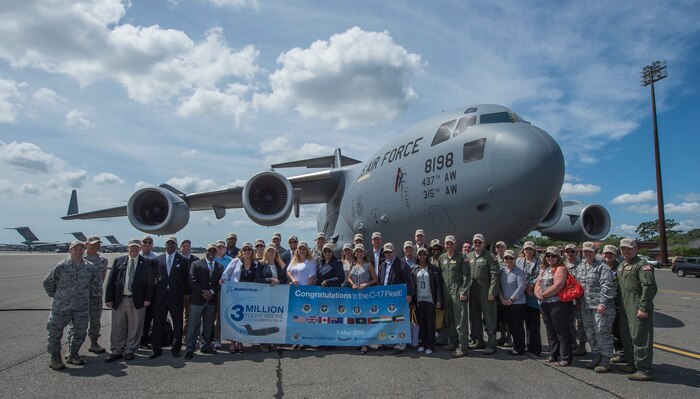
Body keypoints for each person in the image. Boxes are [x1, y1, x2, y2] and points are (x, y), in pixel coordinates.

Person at [43, 240, 100, 370]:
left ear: (84, 250)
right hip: (61, 307)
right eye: (75, 249)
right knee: (55, 333)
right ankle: (55, 358)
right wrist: (58, 296)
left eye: (80, 249)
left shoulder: (89, 267)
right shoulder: (61, 266)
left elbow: (93, 283)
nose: (78, 251)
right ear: (70, 251)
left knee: (79, 332)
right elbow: (48, 283)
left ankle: (73, 354)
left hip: (81, 307)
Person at [105, 239, 155, 363]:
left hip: (137, 300)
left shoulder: (147, 262)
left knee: (135, 326)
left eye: (137, 247)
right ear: (128, 248)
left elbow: (150, 283)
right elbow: (111, 281)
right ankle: (116, 350)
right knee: (118, 326)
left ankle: (130, 349)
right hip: (120, 299)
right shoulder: (119, 261)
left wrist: (148, 299)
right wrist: (109, 298)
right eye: (132, 247)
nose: (134, 249)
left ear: (140, 249)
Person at [617, 238, 657, 381]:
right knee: (626, 336)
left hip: (636, 305)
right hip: (624, 306)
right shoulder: (622, 265)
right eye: (623, 249)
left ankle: (644, 369)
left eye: (629, 248)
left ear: (636, 249)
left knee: (640, 338)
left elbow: (649, 287)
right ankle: (631, 363)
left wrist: (643, 307)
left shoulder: (642, 265)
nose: (625, 251)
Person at [67, 236, 108, 354]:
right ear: (86, 244)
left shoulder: (103, 260)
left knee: (96, 321)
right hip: (79, 296)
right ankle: (71, 349)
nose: (95, 246)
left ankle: (94, 343)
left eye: (97, 244)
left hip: (95, 296)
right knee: (75, 323)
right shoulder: (79, 257)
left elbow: (102, 277)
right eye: (92, 244)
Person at [578, 241, 615, 373]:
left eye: (590, 251)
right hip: (585, 306)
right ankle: (596, 355)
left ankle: (606, 359)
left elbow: (607, 286)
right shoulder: (580, 267)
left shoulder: (602, 267)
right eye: (585, 251)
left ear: (595, 253)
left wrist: (602, 303)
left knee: (601, 332)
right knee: (590, 332)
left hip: (600, 306)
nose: (587, 254)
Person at [150, 236, 189, 359]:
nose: (171, 245)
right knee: (158, 323)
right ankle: (156, 349)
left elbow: (185, 279)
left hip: (176, 297)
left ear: (176, 246)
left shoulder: (182, 260)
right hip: (161, 297)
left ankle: (176, 348)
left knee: (177, 323)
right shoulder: (158, 259)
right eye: (168, 243)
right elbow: (154, 277)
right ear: (165, 245)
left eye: (173, 243)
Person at [185, 244, 224, 360]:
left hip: (211, 301)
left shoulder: (220, 266)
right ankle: (190, 348)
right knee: (193, 324)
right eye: (209, 250)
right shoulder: (196, 264)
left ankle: (205, 345)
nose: (211, 252)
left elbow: (220, 283)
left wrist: (211, 292)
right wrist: (203, 292)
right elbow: (192, 280)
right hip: (197, 300)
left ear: (216, 252)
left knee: (208, 324)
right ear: (205, 251)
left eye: (214, 251)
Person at [535, 246, 572, 367]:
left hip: (558, 303)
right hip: (545, 303)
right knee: (550, 329)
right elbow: (538, 284)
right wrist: (537, 293)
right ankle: (553, 353)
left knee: (561, 330)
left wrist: (543, 294)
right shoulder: (544, 269)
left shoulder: (561, 268)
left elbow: (558, 285)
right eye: (548, 255)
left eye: (553, 256)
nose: (550, 258)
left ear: (558, 257)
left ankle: (565, 357)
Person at [377, 243, 414, 355]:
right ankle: (389, 342)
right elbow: (380, 281)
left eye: (390, 252)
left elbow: (409, 281)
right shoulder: (382, 265)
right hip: (386, 298)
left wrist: (409, 294)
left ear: (394, 252)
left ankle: (401, 344)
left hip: (399, 299)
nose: (388, 254)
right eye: (386, 252)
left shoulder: (402, 265)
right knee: (388, 320)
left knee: (400, 320)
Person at [467, 234, 500, 355]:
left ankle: (492, 344)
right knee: (474, 316)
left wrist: (492, 291)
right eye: (475, 242)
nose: (477, 244)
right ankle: (478, 340)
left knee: (489, 317)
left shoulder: (489, 257)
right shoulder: (469, 256)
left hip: (485, 290)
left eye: (479, 242)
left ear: (484, 244)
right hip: (472, 290)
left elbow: (495, 275)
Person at [439, 235, 470, 357]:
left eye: (451, 243)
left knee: (460, 320)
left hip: (457, 291)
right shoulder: (442, 258)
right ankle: (453, 342)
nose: (449, 245)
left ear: (455, 244)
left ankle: (463, 347)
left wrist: (464, 291)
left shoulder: (462, 257)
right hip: (446, 292)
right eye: (447, 243)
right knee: (450, 319)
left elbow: (466, 276)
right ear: (444, 244)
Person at [347, 243, 378, 354]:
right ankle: (358, 341)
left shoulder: (368, 265)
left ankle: (365, 344)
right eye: (357, 251)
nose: (359, 253)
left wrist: (367, 284)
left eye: (361, 251)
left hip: (365, 296)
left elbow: (375, 279)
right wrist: (352, 284)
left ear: (364, 253)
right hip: (355, 296)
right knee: (356, 319)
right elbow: (349, 278)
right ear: (354, 254)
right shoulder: (353, 265)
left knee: (365, 319)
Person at [412, 247, 443, 355]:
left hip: (430, 300)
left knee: (430, 324)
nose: (422, 256)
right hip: (419, 300)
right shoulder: (414, 269)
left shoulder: (433, 269)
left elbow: (438, 285)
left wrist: (438, 300)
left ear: (427, 256)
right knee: (421, 323)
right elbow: (412, 286)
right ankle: (422, 343)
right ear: (417, 256)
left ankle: (430, 344)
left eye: (424, 254)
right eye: (420, 254)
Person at [256, 244, 287, 352]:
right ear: (265, 253)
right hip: (265, 296)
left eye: (272, 252)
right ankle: (263, 342)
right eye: (269, 251)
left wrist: (278, 281)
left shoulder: (280, 264)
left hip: (277, 296)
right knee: (264, 319)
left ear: (276, 253)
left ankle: (273, 341)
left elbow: (284, 279)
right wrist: (270, 279)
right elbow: (257, 279)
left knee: (275, 319)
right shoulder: (261, 264)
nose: (270, 253)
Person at [499, 250, 527, 356]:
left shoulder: (519, 272)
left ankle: (520, 348)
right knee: (510, 326)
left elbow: (521, 287)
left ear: (514, 259)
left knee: (517, 326)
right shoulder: (502, 271)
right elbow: (500, 287)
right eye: (506, 258)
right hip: (505, 303)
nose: (508, 260)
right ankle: (515, 345)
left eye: (511, 258)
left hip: (517, 304)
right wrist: (502, 299)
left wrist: (511, 300)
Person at [517, 241, 542, 356]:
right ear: (523, 250)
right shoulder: (519, 261)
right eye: (526, 249)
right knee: (525, 322)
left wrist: (531, 286)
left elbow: (540, 275)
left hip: (532, 293)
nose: (528, 251)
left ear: (534, 250)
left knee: (534, 322)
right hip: (522, 293)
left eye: (531, 249)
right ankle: (528, 344)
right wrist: (524, 287)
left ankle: (536, 347)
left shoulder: (538, 261)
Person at [602, 245, 625, 363]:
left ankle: (621, 353)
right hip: (604, 302)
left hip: (617, 302)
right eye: (606, 253)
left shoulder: (621, 267)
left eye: (611, 254)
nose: (608, 256)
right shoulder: (601, 266)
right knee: (605, 329)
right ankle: (608, 352)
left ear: (615, 255)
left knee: (617, 329)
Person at [564, 243, 587, 356]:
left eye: (572, 251)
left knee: (580, 322)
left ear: (577, 253)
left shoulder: (582, 265)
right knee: (568, 322)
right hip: (566, 298)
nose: (569, 253)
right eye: (567, 251)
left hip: (579, 299)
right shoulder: (562, 265)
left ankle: (582, 346)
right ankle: (573, 343)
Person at [139, 235, 158, 349]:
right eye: (145, 242)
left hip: (151, 291)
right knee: (135, 319)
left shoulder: (156, 257)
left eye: (149, 242)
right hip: (137, 292)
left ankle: (144, 340)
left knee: (147, 318)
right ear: (141, 244)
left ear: (152, 245)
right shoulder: (136, 255)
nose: (147, 244)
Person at [179, 239, 198, 341]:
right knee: (178, 315)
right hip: (179, 293)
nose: (186, 248)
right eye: (184, 246)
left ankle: (187, 335)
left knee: (189, 316)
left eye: (188, 246)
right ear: (180, 247)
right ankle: (178, 335)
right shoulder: (176, 259)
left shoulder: (196, 260)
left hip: (191, 293)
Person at [493, 240, 511, 347]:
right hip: (496, 291)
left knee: (508, 316)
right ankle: (502, 336)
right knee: (499, 316)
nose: (500, 249)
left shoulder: (509, 259)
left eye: (502, 247)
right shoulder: (494, 259)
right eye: (498, 247)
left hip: (507, 291)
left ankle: (509, 338)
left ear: (505, 248)